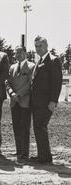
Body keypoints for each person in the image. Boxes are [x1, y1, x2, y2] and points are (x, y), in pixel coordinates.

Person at [30, 36, 62, 164]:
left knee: (40, 127)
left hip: (46, 103)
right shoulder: (39, 61)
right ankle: (42, 155)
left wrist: (53, 101)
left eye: (40, 46)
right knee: (38, 128)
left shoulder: (53, 61)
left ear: (46, 45)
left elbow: (56, 83)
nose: (38, 48)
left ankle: (45, 158)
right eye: (36, 46)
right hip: (37, 102)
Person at [5, 46, 34, 160]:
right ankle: (18, 151)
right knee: (16, 127)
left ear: (25, 53)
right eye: (16, 52)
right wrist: (12, 94)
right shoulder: (12, 67)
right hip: (14, 102)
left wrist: (19, 94)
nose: (18, 54)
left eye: (20, 52)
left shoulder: (31, 66)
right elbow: (7, 82)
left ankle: (25, 154)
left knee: (24, 128)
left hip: (25, 102)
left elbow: (30, 84)